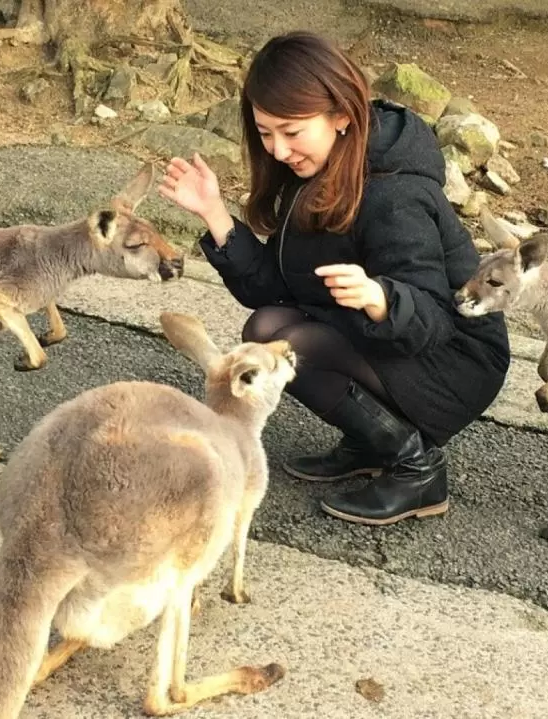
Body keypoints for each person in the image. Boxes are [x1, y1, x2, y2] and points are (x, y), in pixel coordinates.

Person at [158, 30, 510, 527]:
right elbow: (275, 290)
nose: (277, 150)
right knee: (266, 327)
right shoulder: (313, 173)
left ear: (341, 115)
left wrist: (380, 298)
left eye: (291, 131)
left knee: (285, 340)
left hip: (453, 360)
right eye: (264, 133)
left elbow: (434, 317)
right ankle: (373, 440)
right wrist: (214, 213)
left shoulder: (395, 195)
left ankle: (417, 467)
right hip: (387, 338)